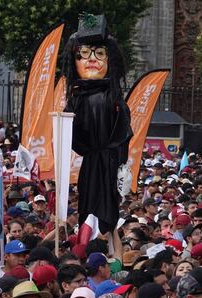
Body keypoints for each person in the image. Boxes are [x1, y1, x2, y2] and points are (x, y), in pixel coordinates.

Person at [62, 13, 133, 236]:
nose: (92, 59)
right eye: (84, 54)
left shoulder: (113, 100)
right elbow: (74, 140)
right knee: (90, 207)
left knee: (102, 212)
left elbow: (122, 135)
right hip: (91, 165)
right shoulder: (77, 99)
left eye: (100, 54)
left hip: (107, 166)